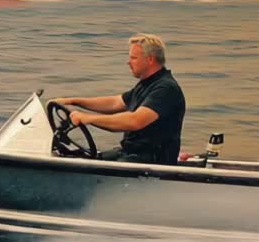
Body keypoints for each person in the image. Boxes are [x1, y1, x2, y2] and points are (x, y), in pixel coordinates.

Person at [49, 33, 186, 165]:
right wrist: (74, 101)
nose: (128, 62)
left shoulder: (166, 89)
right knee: (83, 158)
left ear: (150, 59)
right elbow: (115, 103)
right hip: (131, 153)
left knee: (94, 167)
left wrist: (88, 118)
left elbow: (135, 121)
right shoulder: (147, 84)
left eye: (133, 58)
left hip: (153, 161)